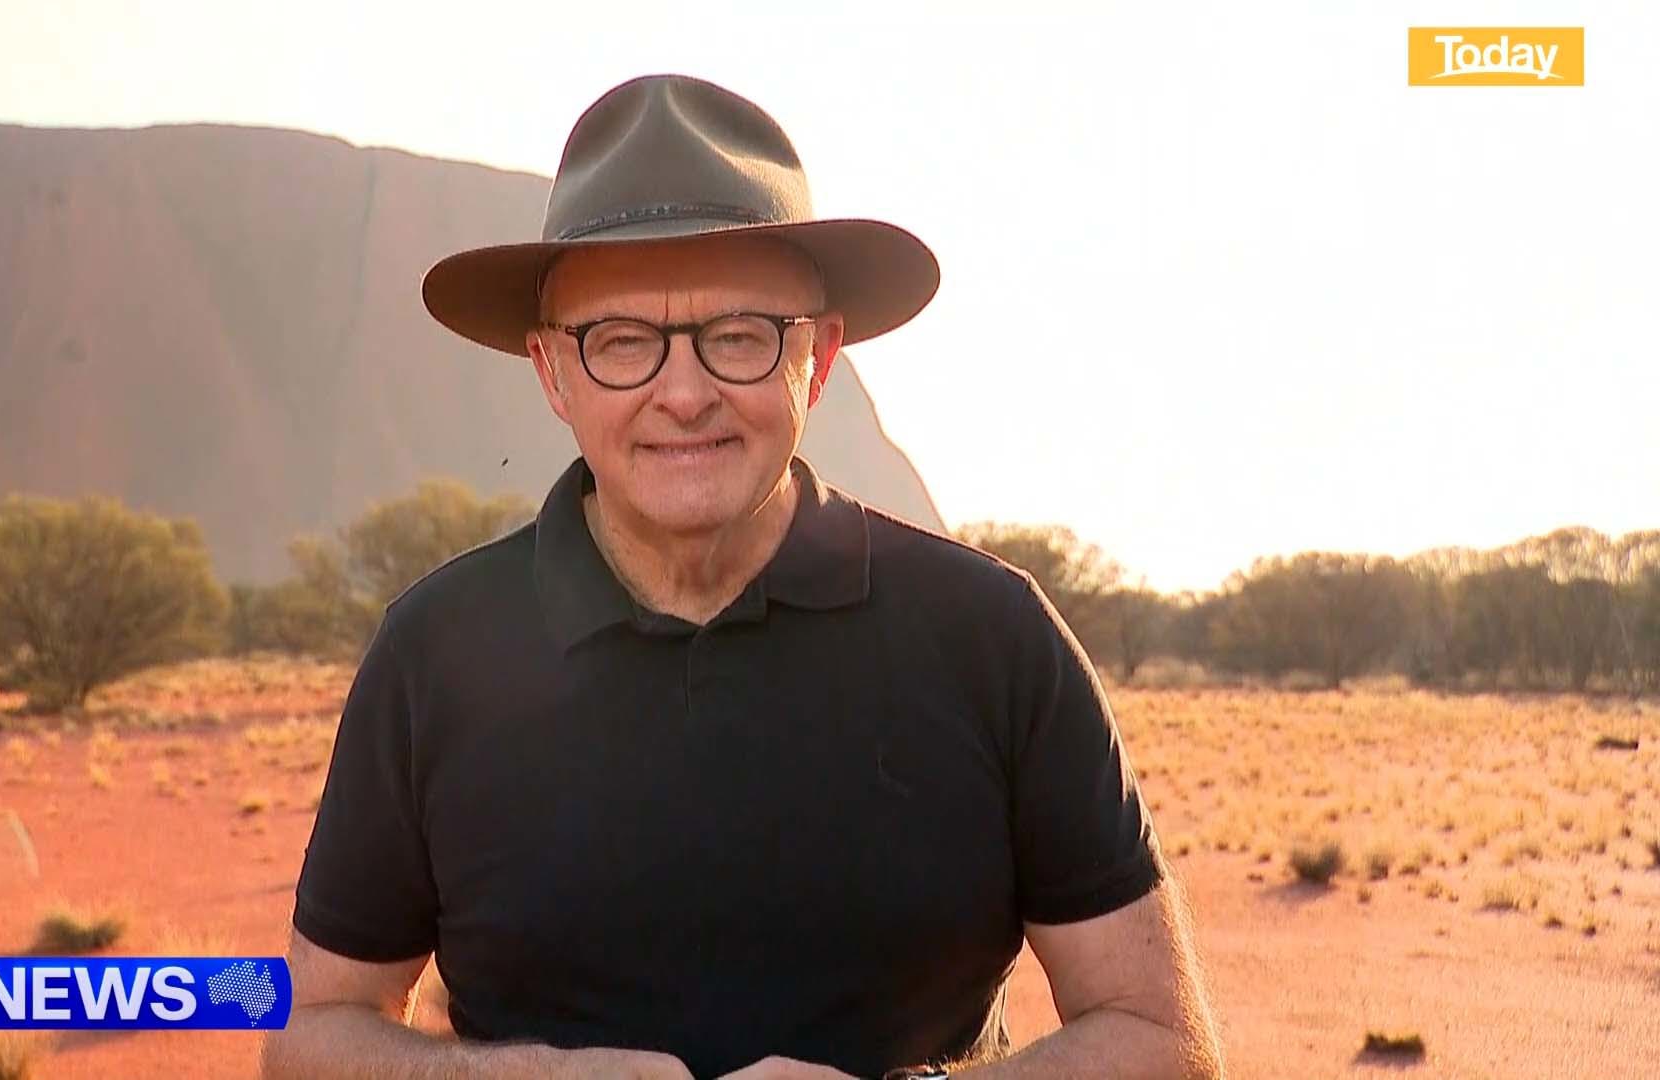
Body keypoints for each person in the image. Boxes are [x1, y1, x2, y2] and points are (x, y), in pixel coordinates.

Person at [261, 73, 1222, 1080]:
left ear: (815, 361)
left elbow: (1165, 1041)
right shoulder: (437, 653)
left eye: (739, 337)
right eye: (622, 342)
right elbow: (312, 1034)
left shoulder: (989, 635)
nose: (684, 394)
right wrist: (530, 1077)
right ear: (552, 373)